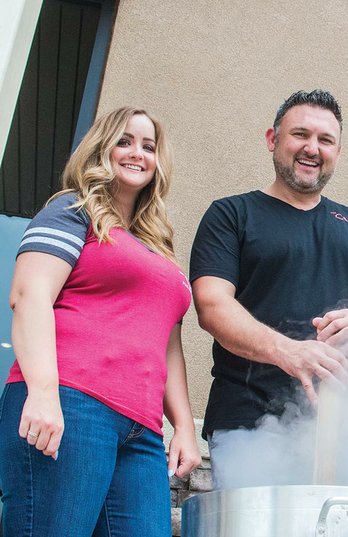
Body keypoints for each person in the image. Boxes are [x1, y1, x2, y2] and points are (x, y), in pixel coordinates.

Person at [0, 106, 201, 536]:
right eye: (124, 141)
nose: (137, 153)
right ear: (100, 148)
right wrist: (43, 392)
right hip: (74, 403)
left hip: (141, 430)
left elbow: (167, 343)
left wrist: (183, 426)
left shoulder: (158, 247)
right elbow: (29, 295)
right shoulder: (72, 210)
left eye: (149, 147)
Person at [190, 89, 348, 488]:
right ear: (273, 139)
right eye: (300, 134)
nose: (312, 148)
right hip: (250, 425)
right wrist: (289, 352)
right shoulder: (231, 214)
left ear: (338, 153)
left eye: (325, 140)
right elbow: (212, 305)